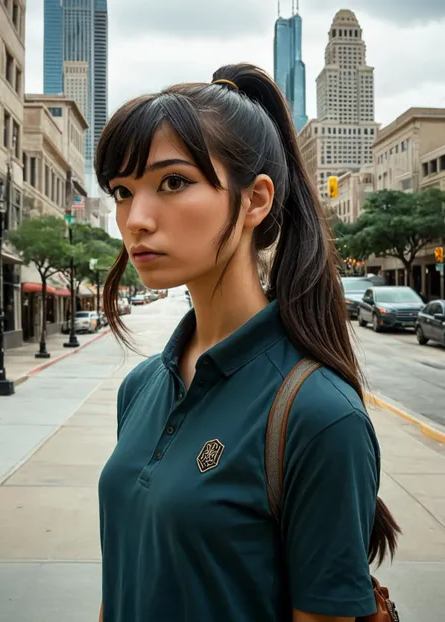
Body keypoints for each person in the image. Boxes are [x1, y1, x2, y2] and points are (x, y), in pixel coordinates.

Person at [96, 64, 400, 622]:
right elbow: (124, 577)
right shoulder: (140, 388)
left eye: (172, 182)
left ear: (256, 200)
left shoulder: (320, 415)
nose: (134, 219)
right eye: (121, 191)